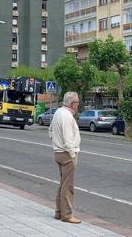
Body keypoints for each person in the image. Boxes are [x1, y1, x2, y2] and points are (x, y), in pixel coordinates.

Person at [49, 91, 82, 224]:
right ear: (72, 104)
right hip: (67, 154)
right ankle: (67, 215)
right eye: (77, 102)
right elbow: (68, 139)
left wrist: (55, 143)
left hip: (59, 152)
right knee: (68, 186)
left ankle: (59, 212)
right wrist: (72, 153)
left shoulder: (58, 113)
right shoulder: (67, 116)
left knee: (63, 184)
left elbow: (50, 130)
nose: (79, 104)